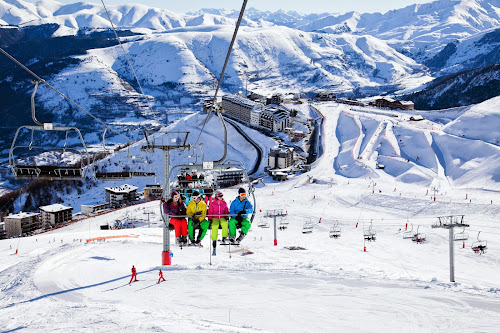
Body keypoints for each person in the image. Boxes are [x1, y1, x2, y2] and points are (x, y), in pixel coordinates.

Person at [207, 190, 229, 255]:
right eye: (219, 196)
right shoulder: (213, 204)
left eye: (222, 196)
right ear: (217, 197)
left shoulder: (224, 203)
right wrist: (210, 219)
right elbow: (210, 212)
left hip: (222, 217)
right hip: (215, 217)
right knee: (214, 225)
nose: (221, 197)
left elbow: (226, 210)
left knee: (225, 224)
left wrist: (226, 216)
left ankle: (224, 237)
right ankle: (214, 240)